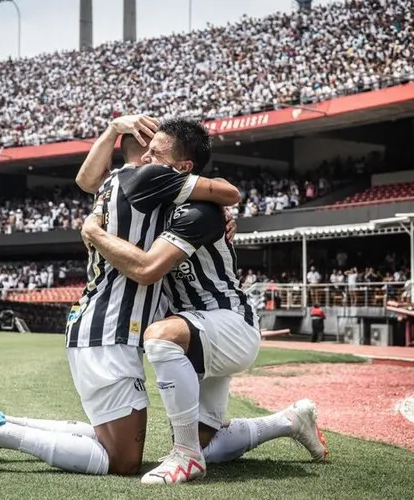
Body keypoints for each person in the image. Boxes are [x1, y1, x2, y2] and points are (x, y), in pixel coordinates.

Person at [0, 116, 242, 475]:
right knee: (121, 461)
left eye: (156, 151)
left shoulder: (113, 182)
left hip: (101, 322)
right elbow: (228, 192)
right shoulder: (151, 178)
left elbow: (85, 179)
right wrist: (220, 209)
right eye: (148, 150)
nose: (150, 157)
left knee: (111, 438)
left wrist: (113, 129)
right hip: (111, 327)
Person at [80, 119, 327, 485]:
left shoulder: (199, 211)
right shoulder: (163, 207)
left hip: (228, 323)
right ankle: (289, 421)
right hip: (199, 331)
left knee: (160, 336)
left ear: (182, 169)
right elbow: (89, 181)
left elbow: (148, 268)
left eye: (156, 153)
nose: (145, 157)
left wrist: (93, 233)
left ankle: (185, 457)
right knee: (211, 444)